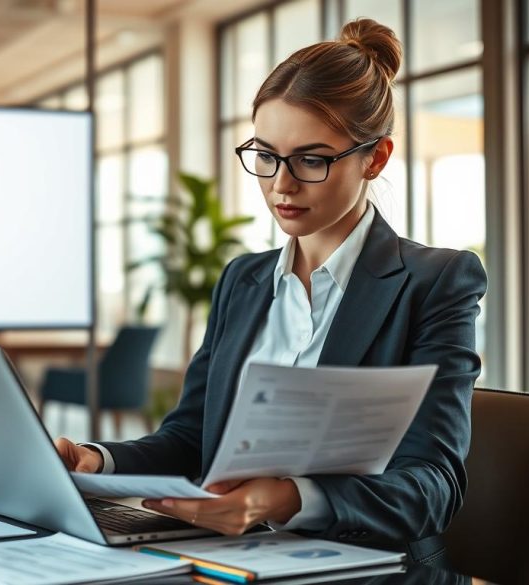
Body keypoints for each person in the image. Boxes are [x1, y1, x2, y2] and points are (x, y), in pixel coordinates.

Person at [55, 18, 486, 569]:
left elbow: (433, 487)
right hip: (233, 561)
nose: (281, 184)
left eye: (311, 159)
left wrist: (288, 498)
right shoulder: (244, 279)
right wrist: (98, 460)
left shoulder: (435, 283)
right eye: (265, 155)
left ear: (374, 158)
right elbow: (191, 439)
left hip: (369, 570)